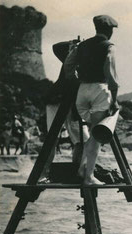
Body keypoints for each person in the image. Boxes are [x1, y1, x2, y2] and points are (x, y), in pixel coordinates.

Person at [64, 15, 119, 185]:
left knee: (93, 135)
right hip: (99, 90)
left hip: (82, 90)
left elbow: (68, 65)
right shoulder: (109, 46)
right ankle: (88, 176)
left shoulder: (82, 46)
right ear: (109, 30)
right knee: (98, 134)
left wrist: (74, 80)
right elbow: (110, 73)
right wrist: (115, 99)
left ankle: (83, 167)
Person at [46, 37, 89, 166]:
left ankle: (79, 170)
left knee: (84, 141)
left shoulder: (89, 64)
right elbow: (56, 47)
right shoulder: (70, 57)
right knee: (51, 139)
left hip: (73, 105)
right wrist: (74, 45)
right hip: (57, 100)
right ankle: (43, 173)